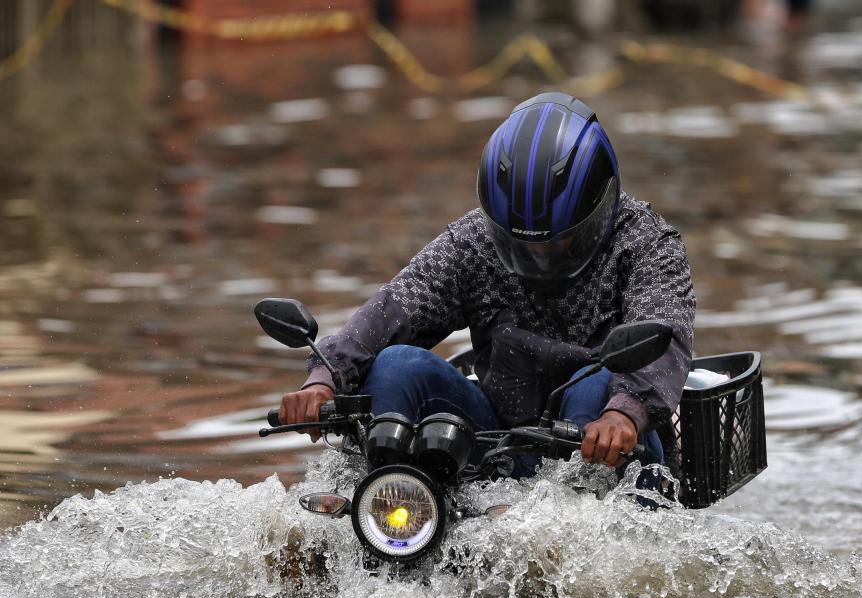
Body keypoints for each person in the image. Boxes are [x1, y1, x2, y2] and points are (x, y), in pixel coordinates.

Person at [277, 92, 695, 476]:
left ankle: (577, 520)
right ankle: (387, 503)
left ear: (600, 208)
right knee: (396, 365)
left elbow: (666, 332)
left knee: (592, 383)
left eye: (560, 243)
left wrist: (623, 413)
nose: (540, 256)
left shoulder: (646, 243)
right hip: (497, 436)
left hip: (606, 439)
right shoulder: (473, 242)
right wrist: (325, 378)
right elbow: (398, 306)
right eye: (522, 246)